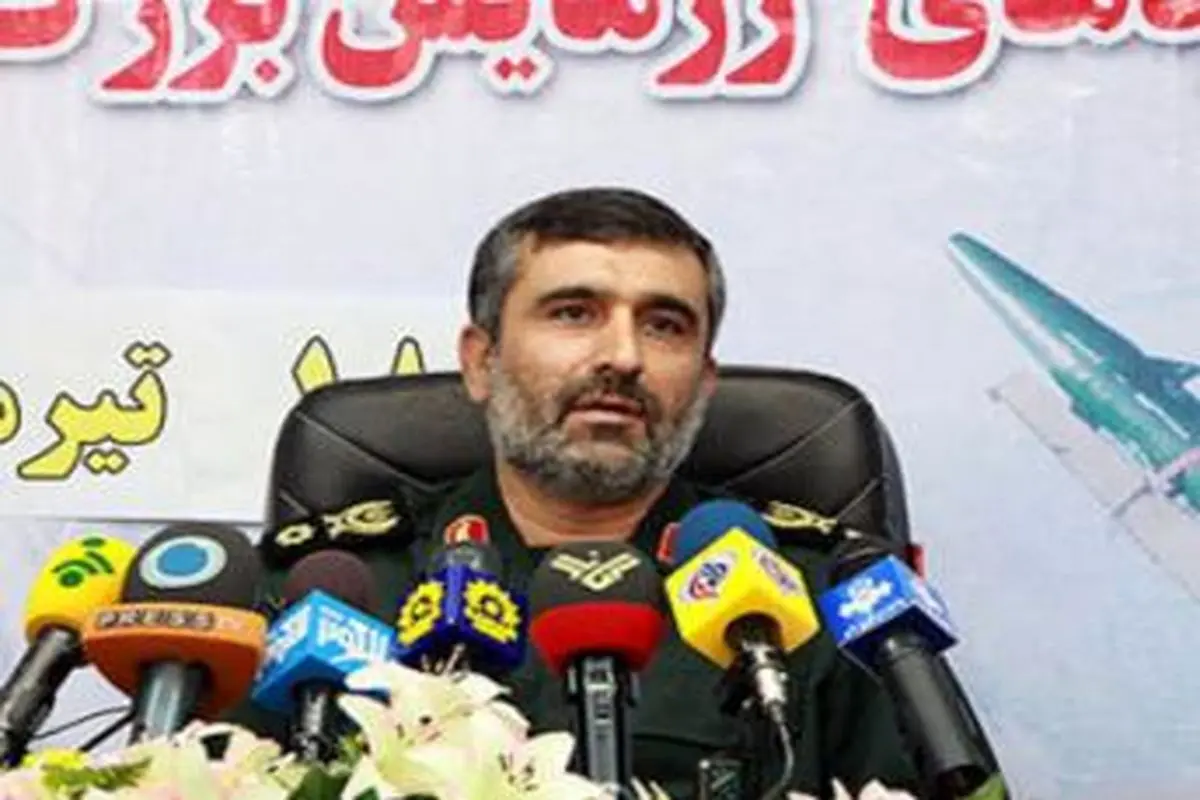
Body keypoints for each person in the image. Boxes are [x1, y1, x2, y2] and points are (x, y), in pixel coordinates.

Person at [237, 187, 921, 799]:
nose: (623, 356)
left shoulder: (820, 594)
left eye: (664, 325)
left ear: (704, 382)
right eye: (573, 313)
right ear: (481, 361)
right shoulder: (328, 592)